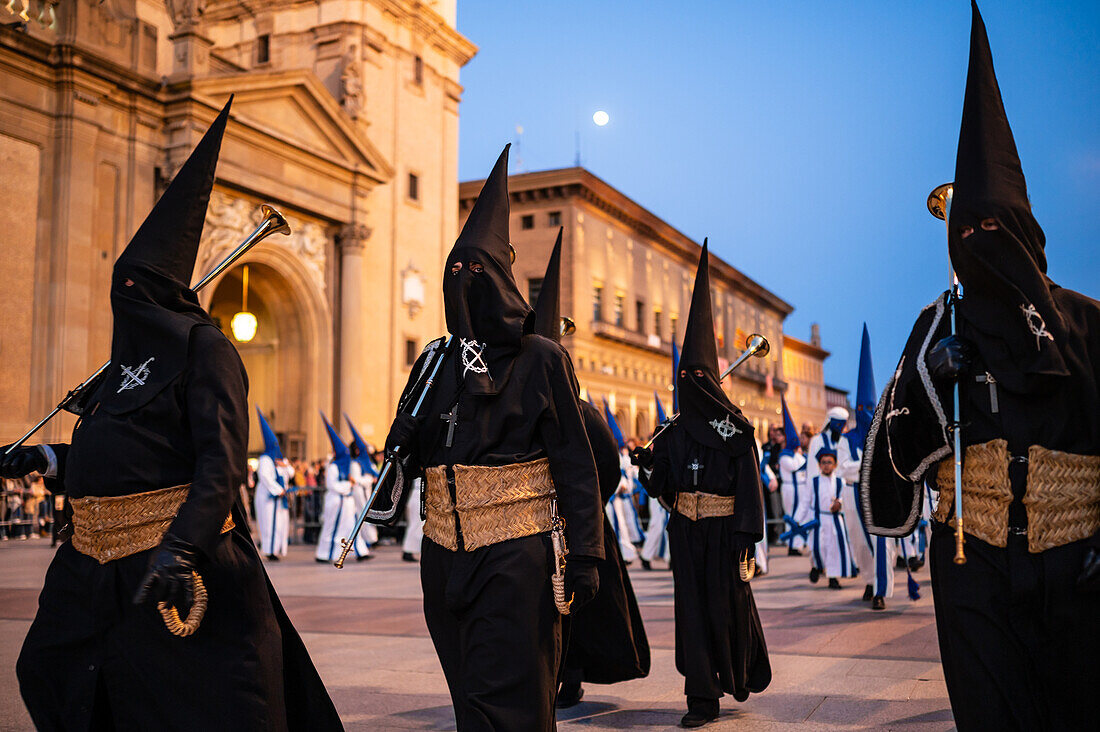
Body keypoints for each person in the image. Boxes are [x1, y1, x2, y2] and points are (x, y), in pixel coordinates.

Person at [0, 99, 342, 730]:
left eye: (135, 290)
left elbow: (219, 463)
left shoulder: (205, 351)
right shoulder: (116, 368)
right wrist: (45, 458)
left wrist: (181, 547)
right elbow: (123, 454)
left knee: (188, 699)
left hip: (175, 556)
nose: (121, 303)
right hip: (89, 564)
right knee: (49, 671)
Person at [860, 4, 1100, 729]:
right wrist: (931, 384)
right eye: (967, 232)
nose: (978, 242)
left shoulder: (1086, 323)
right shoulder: (937, 322)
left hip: (1079, 562)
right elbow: (892, 462)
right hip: (974, 562)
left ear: (1025, 231)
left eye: (993, 228)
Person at [381, 145, 604, 730]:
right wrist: (402, 437)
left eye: (477, 269)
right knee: (469, 699)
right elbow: (411, 459)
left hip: (515, 557)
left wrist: (585, 553)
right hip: (442, 558)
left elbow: (577, 466)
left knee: (513, 694)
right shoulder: (433, 361)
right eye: (456, 270)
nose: (465, 281)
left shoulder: (541, 360)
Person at [631, 241, 770, 728]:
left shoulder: (734, 430)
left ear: (710, 378)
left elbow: (750, 486)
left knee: (724, 611)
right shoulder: (673, 429)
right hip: (685, 535)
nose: (688, 380)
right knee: (690, 616)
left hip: (722, 535)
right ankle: (701, 698)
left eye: (696, 374)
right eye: (682, 375)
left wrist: (745, 539)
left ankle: (737, 673)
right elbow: (662, 485)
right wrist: (647, 463)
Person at [531, 229, 650, 708]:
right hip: (529, 523)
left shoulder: (583, 412)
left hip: (573, 524)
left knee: (576, 605)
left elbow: (608, 462)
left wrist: (584, 505)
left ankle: (572, 674)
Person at [315, 413, 369, 563]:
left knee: (352, 525)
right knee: (331, 528)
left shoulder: (346, 467)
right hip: (336, 500)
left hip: (347, 501)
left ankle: (361, 551)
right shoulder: (333, 467)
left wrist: (349, 484)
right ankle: (324, 554)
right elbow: (333, 486)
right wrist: (349, 484)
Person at [809, 448, 853, 590]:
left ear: (834, 465)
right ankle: (817, 566)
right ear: (819, 465)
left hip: (834, 519)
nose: (826, 465)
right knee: (818, 546)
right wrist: (800, 520)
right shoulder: (814, 481)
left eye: (829, 462)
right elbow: (806, 501)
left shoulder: (840, 481)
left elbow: (845, 497)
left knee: (834, 549)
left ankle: (833, 577)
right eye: (823, 462)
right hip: (819, 519)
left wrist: (839, 503)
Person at [254, 407, 294, 561]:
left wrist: (285, 466)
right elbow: (265, 477)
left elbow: (290, 472)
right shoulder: (264, 459)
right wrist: (278, 490)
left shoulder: (280, 460)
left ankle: (277, 548)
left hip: (279, 497)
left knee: (280, 524)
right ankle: (269, 550)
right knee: (269, 523)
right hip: (267, 496)